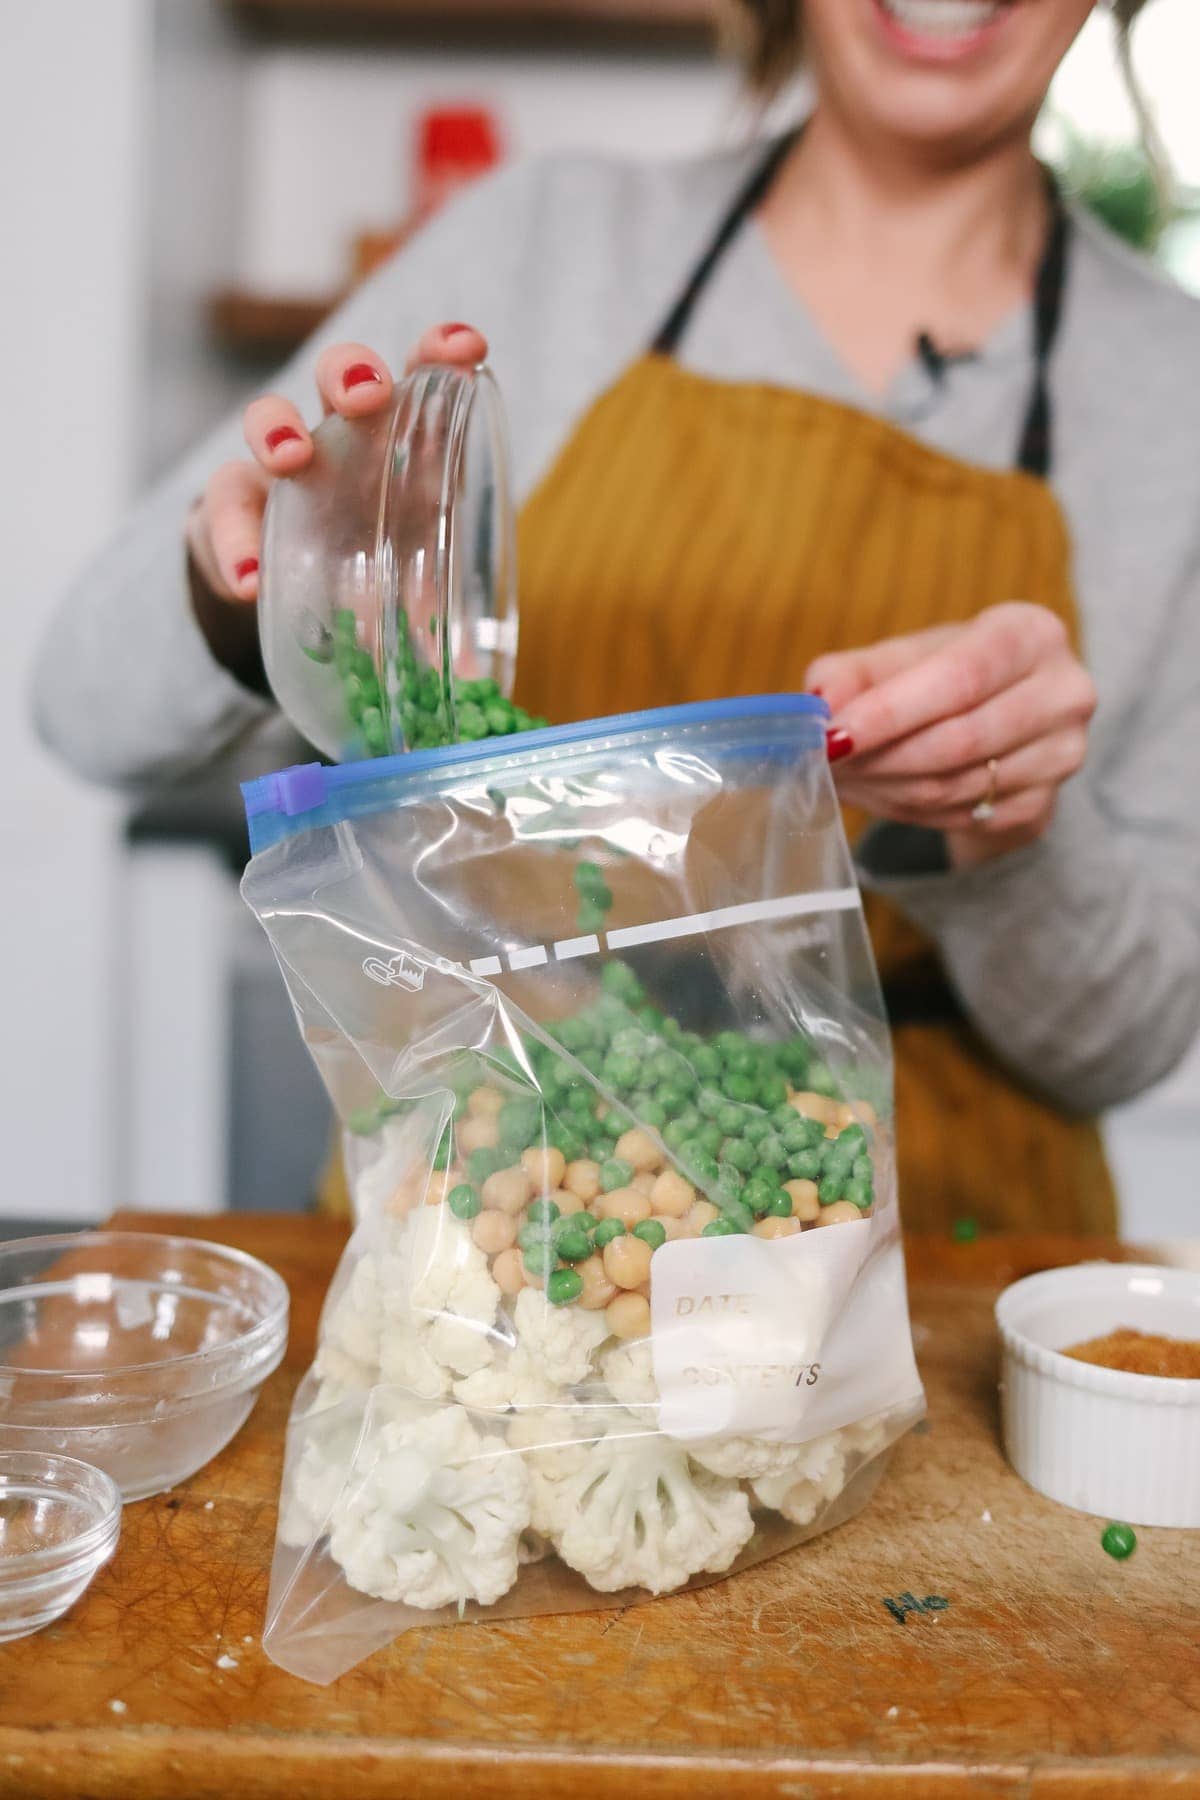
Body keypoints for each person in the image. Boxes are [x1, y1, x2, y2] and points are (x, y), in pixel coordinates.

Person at [33, 0, 1200, 1233]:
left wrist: (1010, 837)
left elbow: (1127, 1041)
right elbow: (84, 709)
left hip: (939, 1255)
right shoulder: (551, 244)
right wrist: (271, 596)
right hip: (495, 1195)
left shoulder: (1171, 391)